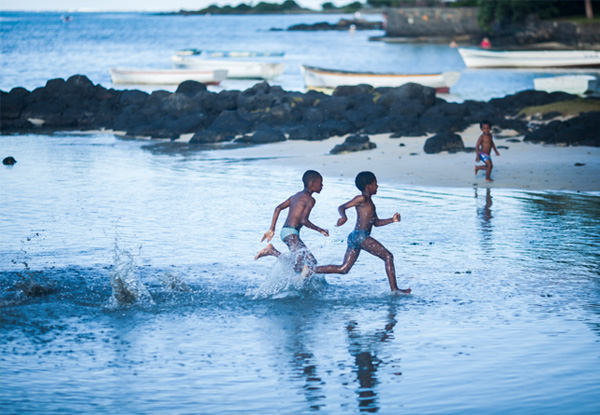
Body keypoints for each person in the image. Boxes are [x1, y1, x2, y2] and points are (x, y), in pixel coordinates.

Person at [311, 171, 411, 294]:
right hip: (360, 236)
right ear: (368, 186)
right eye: (375, 183)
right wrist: (344, 217)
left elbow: (376, 222)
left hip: (355, 237)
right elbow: (341, 207)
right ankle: (395, 290)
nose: (377, 186)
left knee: (344, 269)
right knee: (388, 256)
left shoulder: (370, 202)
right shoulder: (362, 198)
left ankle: (310, 269)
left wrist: (392, 220)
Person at [255, 170, 329, 273]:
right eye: (320, 183)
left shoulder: (295, 196)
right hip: (291, 234)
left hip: (286, 232)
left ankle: (272, 251)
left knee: (299, 265)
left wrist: (272, 228)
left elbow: (278, 208)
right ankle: (272, 251)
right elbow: (304, 220)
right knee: (311, 262)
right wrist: (320, 230)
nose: (322, 185)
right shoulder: (310, 200)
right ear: (312, 183)